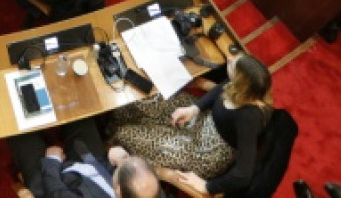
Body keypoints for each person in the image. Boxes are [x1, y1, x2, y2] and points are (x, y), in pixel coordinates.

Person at [110, 54, 273, 197]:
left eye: (233, 65)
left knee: (127, 134)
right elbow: (221, 90)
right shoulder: (242, 87)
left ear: (241, 83)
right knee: (140, 101)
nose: (228, 59)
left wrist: (208, 187)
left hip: (206, 152)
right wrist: (195, 108)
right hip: (204, 119)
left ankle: (112, 136)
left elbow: (243, 175)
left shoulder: (250, 119)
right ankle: (114, 119)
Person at [10, 118, 161, 198]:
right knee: (78, 112)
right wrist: (122, 159)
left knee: (19, 133)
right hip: (91, 165)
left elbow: (56, 193)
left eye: (121, 168)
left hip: (53, 183)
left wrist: (52, 162)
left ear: (120, 191)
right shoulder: (151, 192)